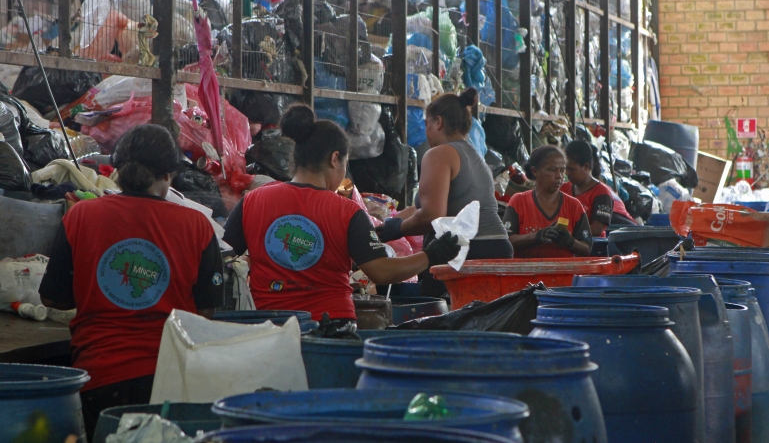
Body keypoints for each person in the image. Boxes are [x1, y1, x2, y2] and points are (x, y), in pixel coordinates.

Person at [39, 124, 224, 440]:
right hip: (170, 383)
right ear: (168, 176)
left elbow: (54, 299)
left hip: (99, 381)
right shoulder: (197, 225)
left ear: (116, 170)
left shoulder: (80, 216)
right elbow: (205, 312)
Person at [222, 104, 460, 324]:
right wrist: (431, 255)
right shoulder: (347, 211)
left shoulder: (252, 201)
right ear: (335, 158)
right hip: (331, 326)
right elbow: (382, 271)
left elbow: (223, 255)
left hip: (267, 327)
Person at [376, 88, 512, 297]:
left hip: (468, 251)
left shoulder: (439, 153)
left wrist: (398, 229)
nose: (426, 132)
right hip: (497, 247)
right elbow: (428, 206)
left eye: (426, 124)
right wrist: (388, 221)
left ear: (438, 122)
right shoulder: (475, 156)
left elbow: (432, 215)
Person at [504, 145, 592, 258]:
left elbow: (587, 248)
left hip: (563, 274)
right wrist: (536, 236)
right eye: (552, 170)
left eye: (562, 170)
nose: (559, 176)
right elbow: (506, 241)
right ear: (535, 171)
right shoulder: (518, 201)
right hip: (527, 274)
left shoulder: (574, 205)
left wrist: (570, 241)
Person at [561, 140, 636, 236]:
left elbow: (596, 229)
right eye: (566, 169)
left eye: (572, 169)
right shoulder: (563, 189)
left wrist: (567, 233)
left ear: (586, 166)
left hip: (594, 247)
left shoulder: (602, 193)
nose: (567, 173)